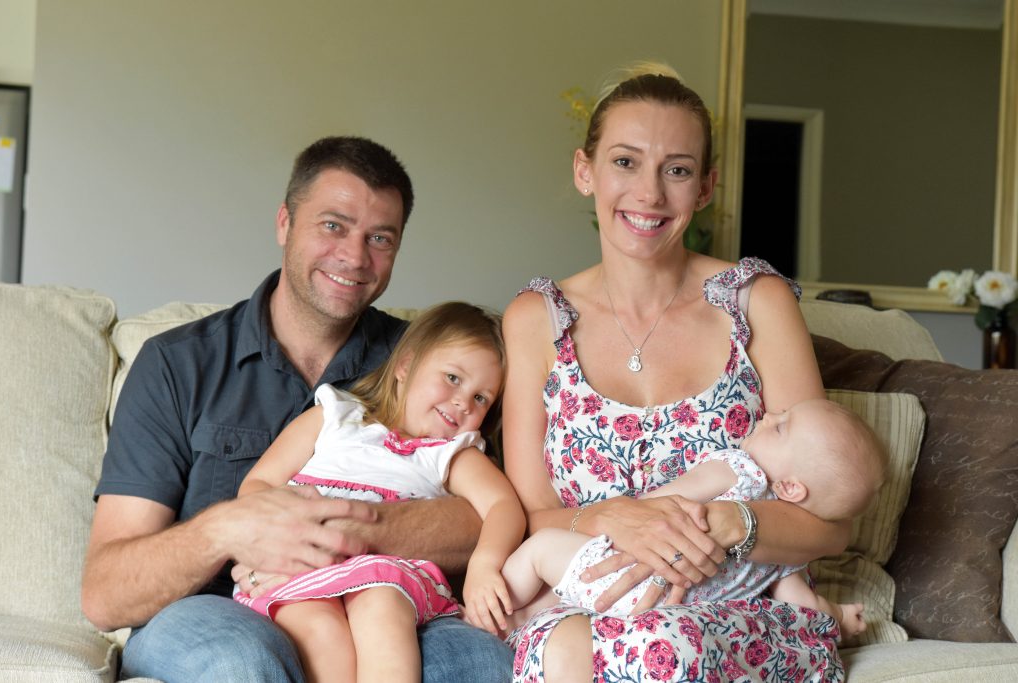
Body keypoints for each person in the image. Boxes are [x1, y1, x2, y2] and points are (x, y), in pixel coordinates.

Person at [81, 136, 514, 682]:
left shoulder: (429, 365)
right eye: (333, 225)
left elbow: (493, 516)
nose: (355, 257)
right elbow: (106, 592)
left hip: (385, 594)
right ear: (285, 223)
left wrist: (352, 530)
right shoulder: (178, 364)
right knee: (240, 664)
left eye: (379, 238)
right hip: (219, 606)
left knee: (481, 664)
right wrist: (230, 530)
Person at [502, 63, 852, 682]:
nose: (651, 195)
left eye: (678, 170)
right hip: (594, 602)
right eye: (625, 162)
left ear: (706, 187)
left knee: (667, 649)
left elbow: (832, 521)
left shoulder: (755, 301)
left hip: (733, 609)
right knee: (567, 650)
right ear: (585, 171)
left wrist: (728, 524)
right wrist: (612, 516)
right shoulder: (537, 319)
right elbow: (532, 514)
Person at [232, 301, 525, 682]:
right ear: (405, 365)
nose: (462, 402)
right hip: (299, 562)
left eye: (481, 398)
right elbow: (258, 483)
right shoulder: (335, 416)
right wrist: (279, 529)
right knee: (320, 630)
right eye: (453, 378)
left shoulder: (452, 453)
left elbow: (505, 505)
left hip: (384, 573)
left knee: (383, 611)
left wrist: (485, 564)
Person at [500, 397, 885, 641]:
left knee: (539, 551)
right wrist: (840, 617)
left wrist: (627, 515)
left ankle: (496, 608)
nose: (767, 415)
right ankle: (515, 623)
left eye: (781, 425)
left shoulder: (739, 469)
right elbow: (805, 610)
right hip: (665, 617)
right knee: (564, 598)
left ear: (790, 487)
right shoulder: (787, 555)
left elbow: (662, 502)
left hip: (629, 568)